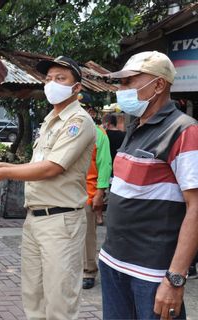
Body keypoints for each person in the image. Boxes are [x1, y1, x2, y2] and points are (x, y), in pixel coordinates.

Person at [0, 56, 96, 319]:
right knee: (34, 297)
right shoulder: (50, 119)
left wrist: (3, 172)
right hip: (35, 219)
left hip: (60, 220)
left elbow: (52, 167)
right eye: (49, 78)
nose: (52, 83)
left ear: (77, 88)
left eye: (61, 79)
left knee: (59, 301)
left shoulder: (78, 121)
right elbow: (36, 163)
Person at [99, 51, 198, 319]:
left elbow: (196, 208)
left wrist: (175, 279)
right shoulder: (135, 127)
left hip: (152, 274)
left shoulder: (183, 130)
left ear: (158, 85)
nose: (121, 90)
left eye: (128, 82)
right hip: (113, 263)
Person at [82, 114, 112, 289]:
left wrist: (100, 192)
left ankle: (88, 271)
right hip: (65, 194)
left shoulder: (98, 134)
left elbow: (105, 164)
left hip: (88, 193)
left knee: (87, 235)